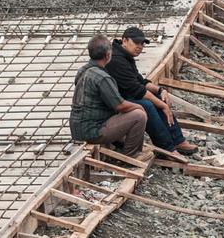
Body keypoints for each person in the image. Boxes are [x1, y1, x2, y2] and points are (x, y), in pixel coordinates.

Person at [104, 27, 198, 155]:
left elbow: (140, 81)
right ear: (124, 40)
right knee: (148, 105)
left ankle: (177, 140)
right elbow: (137, 90)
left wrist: (160, 90)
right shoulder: (116, 59)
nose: (140, 47)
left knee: (158, 98)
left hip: (124, 95)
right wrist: (163, 105)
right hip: (111, 102)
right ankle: (166, 149)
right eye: (136, 43)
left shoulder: (125, 55)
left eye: (142, 44)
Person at [69, 35, 148, 157]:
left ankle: (120, 144)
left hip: (77, 128)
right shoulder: (102, 77)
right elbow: (120, 105)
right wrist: (139, 107)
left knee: (128, 111)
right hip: (92, 130)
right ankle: (132, 155)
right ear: (107, 55)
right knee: (139, 115)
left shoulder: (83, 70)